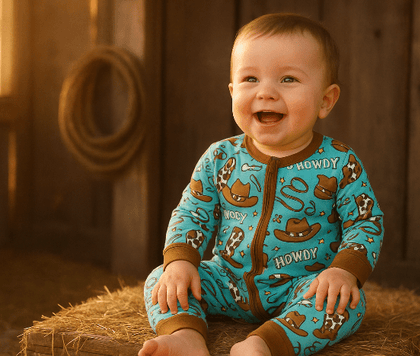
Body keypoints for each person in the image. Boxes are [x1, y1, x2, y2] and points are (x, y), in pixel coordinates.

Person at [138, 13, 384, 356]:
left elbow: (365, 221)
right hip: (227, 282)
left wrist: (343, 273)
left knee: (346, 305)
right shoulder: (220, 157)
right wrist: (180, 261)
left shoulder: (340, 163)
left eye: (288, 79)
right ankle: (186, 336)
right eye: (250, 79)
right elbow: (193, 211)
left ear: (326, 100)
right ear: (232, 91)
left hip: (302, 287)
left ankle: (262, 344)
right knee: (160, 280)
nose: (266, 92)